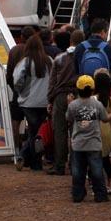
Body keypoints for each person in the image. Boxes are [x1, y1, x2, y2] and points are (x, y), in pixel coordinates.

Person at [67, 75, 111, 203]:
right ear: (92, 90)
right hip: (94, 143)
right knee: (97, 171)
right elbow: (105, 119)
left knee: (78, 171)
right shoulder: (97, 104)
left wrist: (69, 103)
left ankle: (78, 194)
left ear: (78, 89)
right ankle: (100, 194)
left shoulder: (73, 105)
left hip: (78, 144)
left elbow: (68, 118)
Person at [13, 34, 53, 171]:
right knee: (38, 133)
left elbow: (17, 80)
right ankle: (33, 161)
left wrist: (21, 91)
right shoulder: (49, 61)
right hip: (45, 101)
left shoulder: (25, 62)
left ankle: (25, 157)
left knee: (33, 132)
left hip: (28, 102)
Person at [47, 31, 83, 175]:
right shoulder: (84, 57)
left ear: (70, 41)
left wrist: (50, 99)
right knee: (76, 130)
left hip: (60, 96)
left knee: (60, 131)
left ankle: (59, 165)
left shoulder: (59, 58)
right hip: (79, 95)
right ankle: (76, 165)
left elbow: (52, 82)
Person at [6, 25, 35, 153]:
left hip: (18, 92)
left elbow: (9, 75)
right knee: (33, 122)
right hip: (32, 92)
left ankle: (16, 149)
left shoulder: (14, 50)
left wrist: (15, 89)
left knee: (16, 121)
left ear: (22, 37)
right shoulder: (36, 52)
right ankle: (31, 149)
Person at [93, 70, 111, 194]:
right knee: (106, 159)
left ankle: (97, 185)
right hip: (108, 134)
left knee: (94, 160)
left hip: (94, 133)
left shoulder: (93, 100)